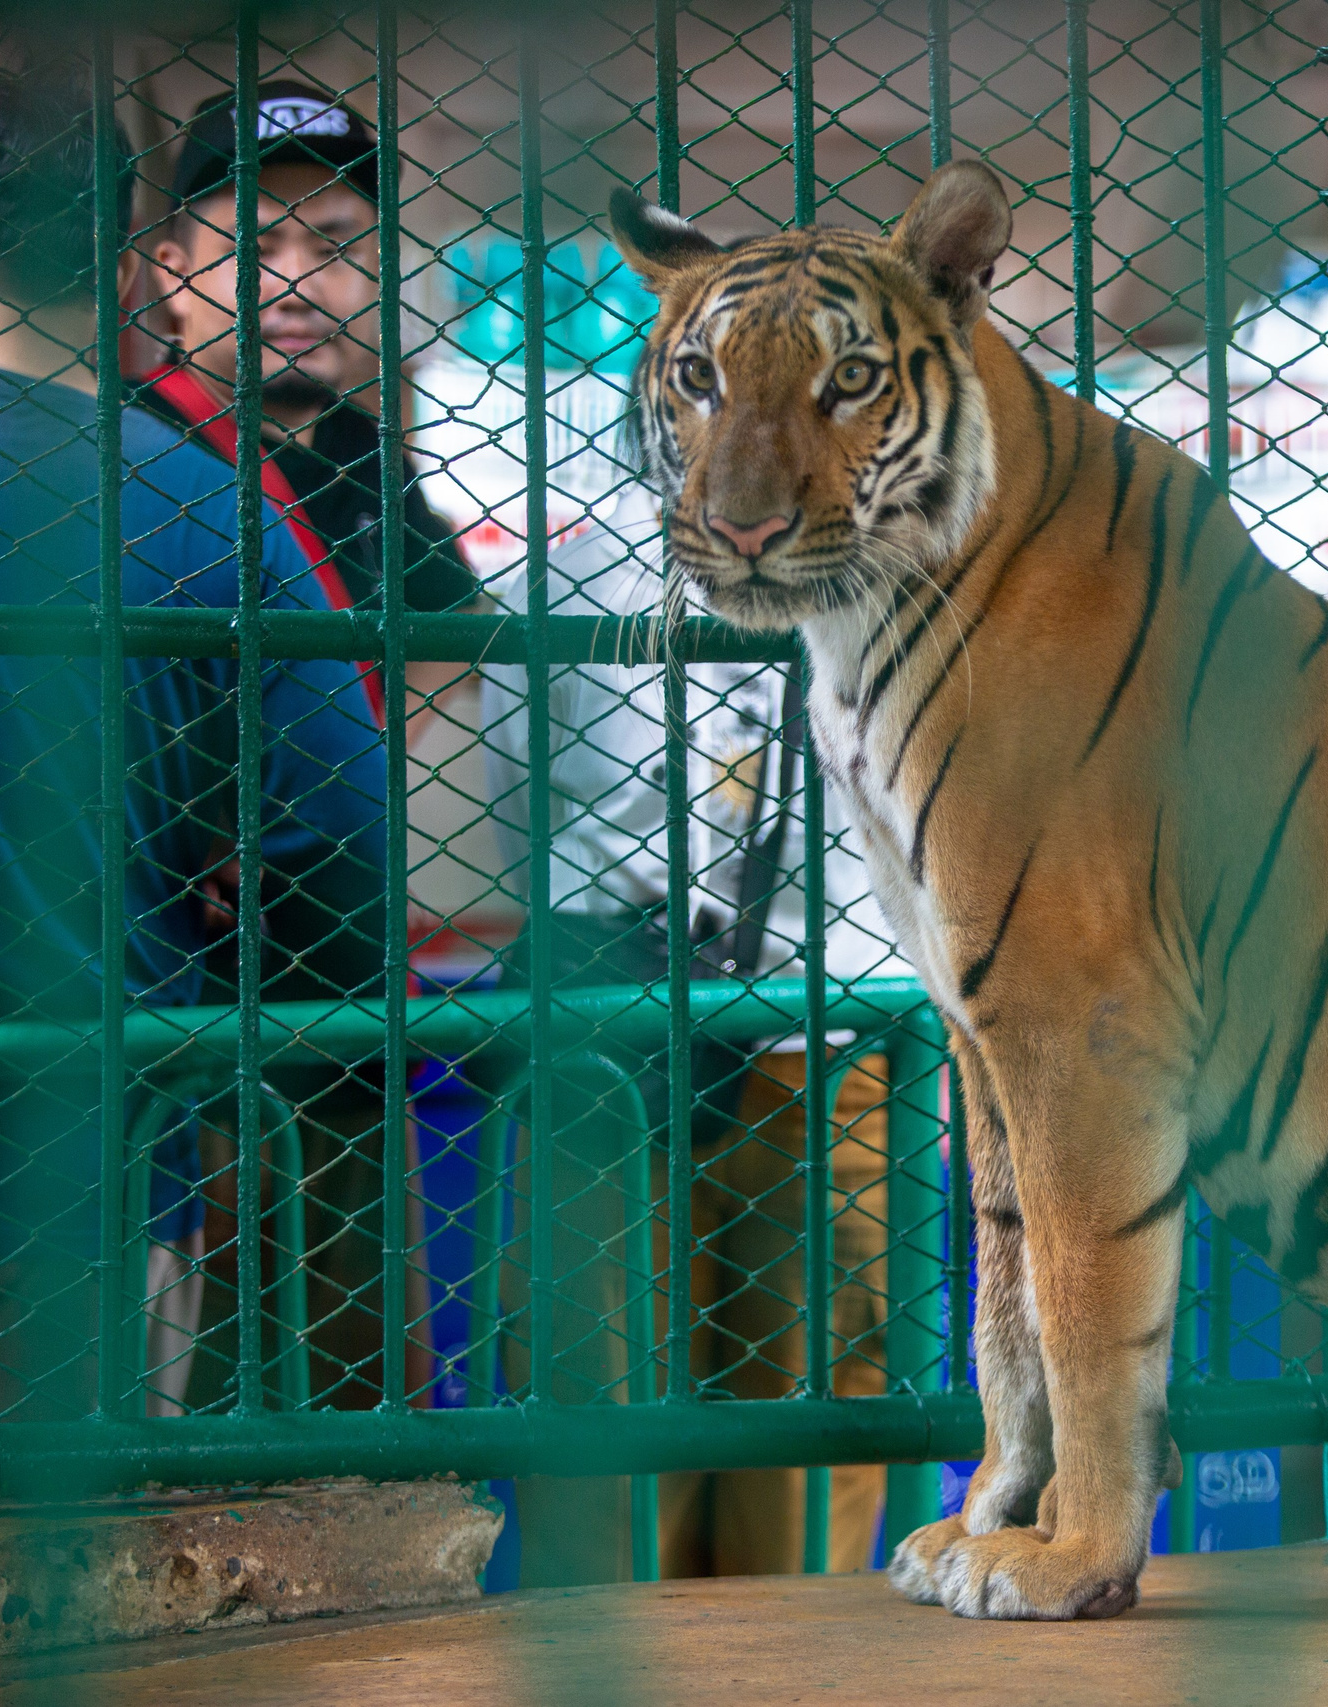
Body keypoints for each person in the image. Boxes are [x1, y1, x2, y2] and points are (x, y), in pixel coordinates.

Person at [0, 72, 384, 1424]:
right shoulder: (211, 511)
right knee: (88, 1543)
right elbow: (340, 849)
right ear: (123, 268)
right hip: (95, 1150)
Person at [479, 489, 905, 1584]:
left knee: (665, 1418)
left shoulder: (571, 579)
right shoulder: (579, 577)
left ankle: (724, 1650)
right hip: (731, 1039)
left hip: (735, 1037)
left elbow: (518, 816)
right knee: (713, 1421)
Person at [133, 80, 484, 1407]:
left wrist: (332, 770)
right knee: (207, 1404)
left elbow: (454, 631)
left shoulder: (358, 456)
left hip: (335, 991)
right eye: (255, 244)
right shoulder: (135, 449)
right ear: (173, 271)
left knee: (353, 1387)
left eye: (334, 244)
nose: (298, 280)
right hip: (184, 1016)